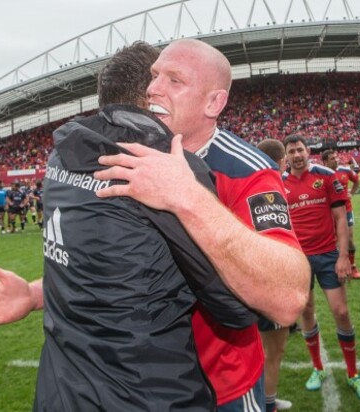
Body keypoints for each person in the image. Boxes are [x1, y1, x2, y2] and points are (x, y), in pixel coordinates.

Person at [0, 41, 267, 411]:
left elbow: (105, 265)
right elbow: (239, 306)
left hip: (63, 390)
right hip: (149, 392)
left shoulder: (65, 154)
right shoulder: (162, 166)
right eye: (158, 78)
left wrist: (37, 293)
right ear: (149, 98)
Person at [94, 38, 310, 410]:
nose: (152, 89)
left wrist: (188, 196)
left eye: (174, 80)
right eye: (154, 76)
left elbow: (288, 298)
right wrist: (38, 293)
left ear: (214, 103)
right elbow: (121, 263)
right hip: (141, 384)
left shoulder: (246, 169)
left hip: (220, 388)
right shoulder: (131, 155)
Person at [283, 135, 360, 403]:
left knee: (341, 312)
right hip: (299, 260)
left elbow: (340, 218)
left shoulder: (327, 176)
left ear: (307, 151)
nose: (297, 155)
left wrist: (344, 256)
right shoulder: (281, 183)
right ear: (286, 156)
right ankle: (318, 368)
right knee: (307, 312)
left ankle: (353, 372)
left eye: (300, 149)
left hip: (327, 255)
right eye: (292, 151)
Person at [255, 138, 292, 412]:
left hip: (246, 281)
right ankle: (267, 405)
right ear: (282, 162)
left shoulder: (250, 181)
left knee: (255, 349)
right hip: (270, 282)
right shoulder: (272, 189)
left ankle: (264, 400)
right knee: (273, 352)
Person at [321, 149, 360, 279]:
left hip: (346, 209)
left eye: (336, 157)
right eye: (332, 158)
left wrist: (352, 193)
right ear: (325, 162)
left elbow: (356, 181)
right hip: (329, 212)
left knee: (349, 238)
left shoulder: (344, 170)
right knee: (334, 241)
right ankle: (339, 265)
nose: (336, 160)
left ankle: (353, 266)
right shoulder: (320, 174)